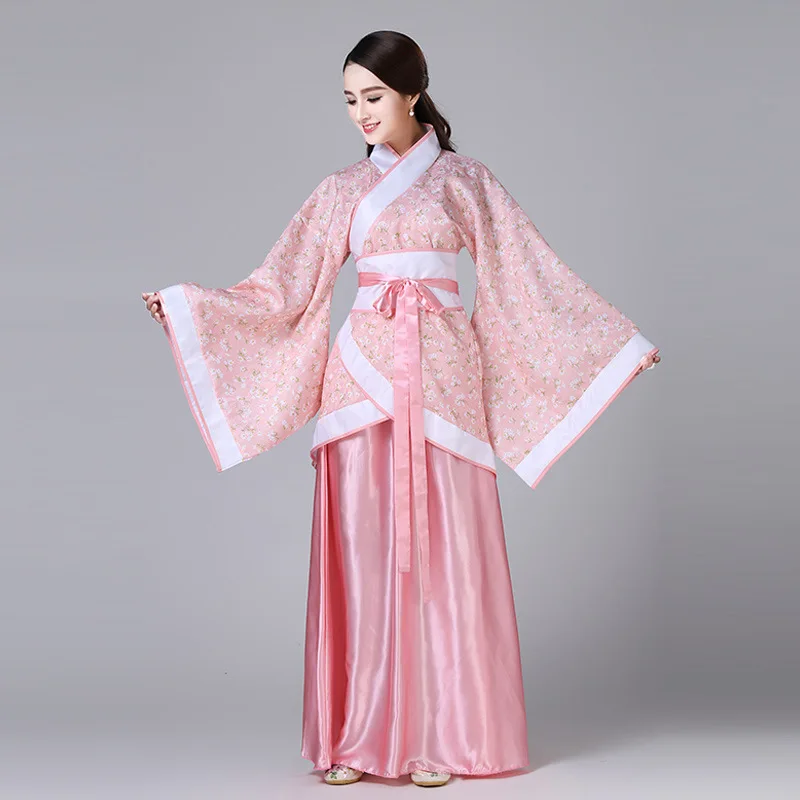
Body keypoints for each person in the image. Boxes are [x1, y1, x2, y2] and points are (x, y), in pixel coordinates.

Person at [142, 30, 660, 788]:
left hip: (445, 373)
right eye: (349, 99)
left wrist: (615, 343)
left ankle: (444, 739)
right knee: (362, 548)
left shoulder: (466, 181)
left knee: (449, 552)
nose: (361, 112)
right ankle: (356, 738)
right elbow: (281, 286)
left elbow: (527, 274)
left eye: (374, 96)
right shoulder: (339, 192)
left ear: (413, 92)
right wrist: (191, 307)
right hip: (360, 376)